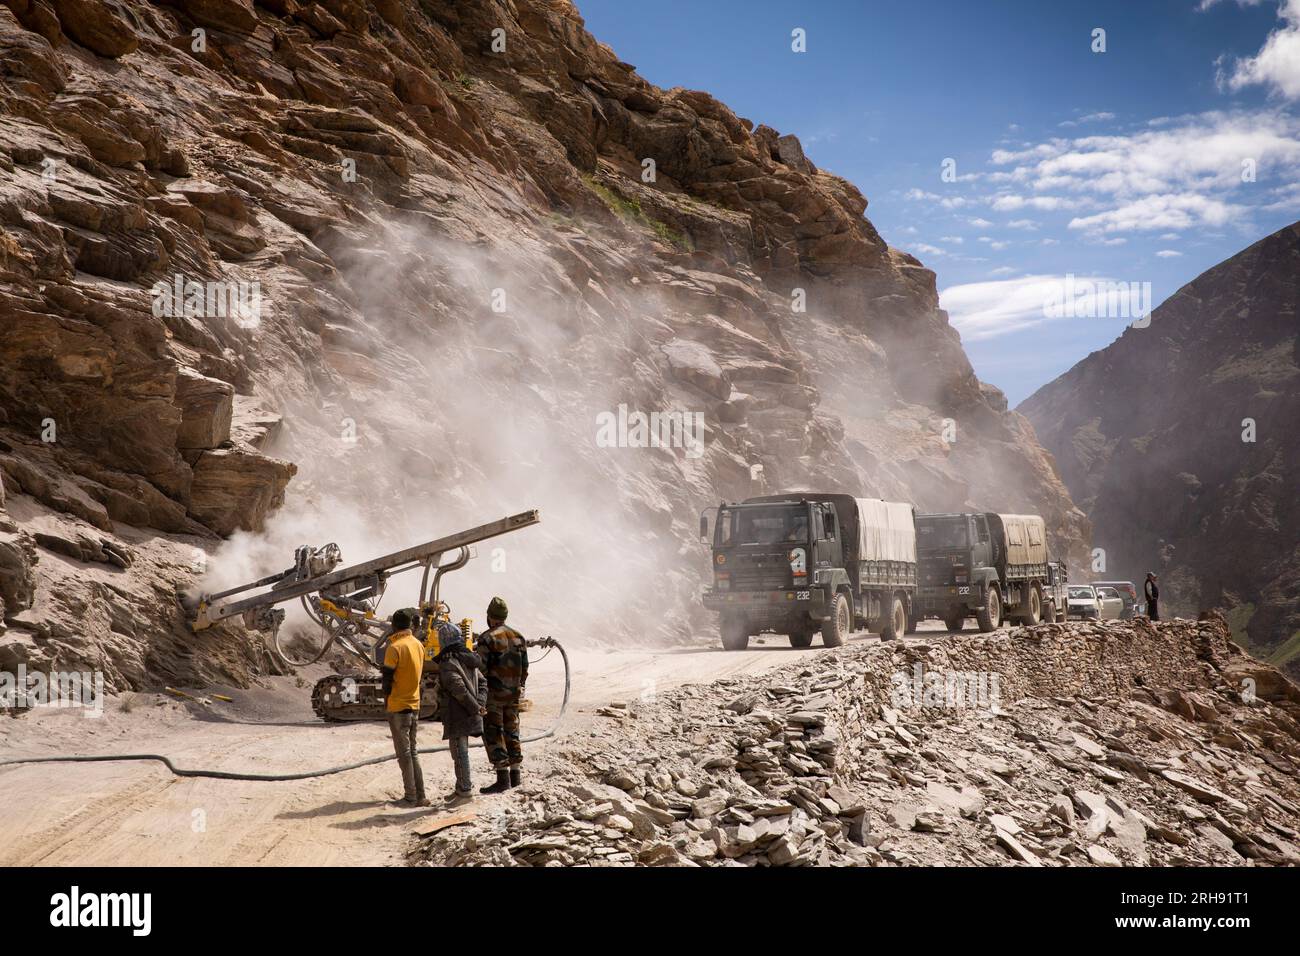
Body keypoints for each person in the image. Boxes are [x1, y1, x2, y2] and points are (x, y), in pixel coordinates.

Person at [476, 596, 529, 793]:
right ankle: (516, 776)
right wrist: (518, 686)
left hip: (494, 696)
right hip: (513, 694)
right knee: (512, 731)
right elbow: (525, 668)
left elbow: (480, 668)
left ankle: (502, 779)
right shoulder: (518, 637)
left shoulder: (487, 638)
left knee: (494, 732)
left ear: (489, 616)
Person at [434, 618, 487, 804]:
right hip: (468, 713)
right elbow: (482, 682)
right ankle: (460, 788)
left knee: (459, 752)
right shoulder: (468, 658)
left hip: (458, 716)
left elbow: (460, 691)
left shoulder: (448, 663)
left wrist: (476, 707)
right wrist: (479, 704)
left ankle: (465, 792)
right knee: (459, 752)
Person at [381, 608, 428, 807]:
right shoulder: (418, 645)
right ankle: (421, 795)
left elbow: (387, 680)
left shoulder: (394, 647)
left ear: (394, 625)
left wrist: (386, 700)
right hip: (414, 704)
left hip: (398, 706)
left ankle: (410, 796)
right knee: (413, 752)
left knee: (404, 754)